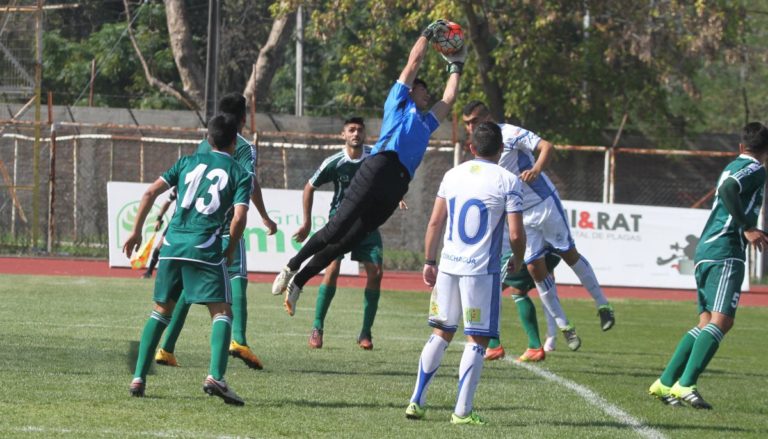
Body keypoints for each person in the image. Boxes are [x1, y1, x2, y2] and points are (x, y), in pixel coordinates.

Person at [271, 20, 466, 315]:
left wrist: (457, 64)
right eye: (423, 90)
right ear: (412, 90)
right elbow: (414, 61)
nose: (428, 95)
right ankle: (291, 266)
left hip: (397, 184)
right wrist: (426, 34)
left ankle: (299, 282)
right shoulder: (399, 103)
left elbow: (449, 98)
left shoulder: (426, 123)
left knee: (346, 241)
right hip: (378, 167)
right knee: (337, 228)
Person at [462, 101, 616, 353]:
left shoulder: (509, 133)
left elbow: (546, 146)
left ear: (488, 116)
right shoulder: (479, 149)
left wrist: (535, 169)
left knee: (568, 253)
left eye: (476, 120)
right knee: (534, 268)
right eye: (468, 122)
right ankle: (564, 327)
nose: (471, 126)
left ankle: (603, 305)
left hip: (543, 203)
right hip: (520, 214)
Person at [123, 113, 252, 405]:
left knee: (160, 312)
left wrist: (135, 232)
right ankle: (216, 378)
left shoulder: (186, 162)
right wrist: (231, 247)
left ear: (208, 138)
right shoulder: (239, 172)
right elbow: (240, 216)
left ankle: (138, 377)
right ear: (235, 141)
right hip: (204, 246)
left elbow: (150, 192)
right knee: (222, 312)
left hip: (171, 245)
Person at [405, 122, 526, 425]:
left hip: (448, 265)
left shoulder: (452, 175)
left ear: (472, 148)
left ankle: (416, 401)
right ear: (501, 150)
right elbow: (515, 232)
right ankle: (462, 411)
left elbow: (435, 223)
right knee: (477, 339)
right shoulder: (509, 181)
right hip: (481, 271)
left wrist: (429, 261)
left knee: (441, 333)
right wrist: (519, 259)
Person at [649, 122, 768, 409]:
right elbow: (729, 189)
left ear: (741, 146)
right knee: (722, 321)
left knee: (705, 323)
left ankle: (664, 383)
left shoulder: (733, 164)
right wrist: (748, 227)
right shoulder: (756, 169)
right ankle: (686, 384)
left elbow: (728, 185)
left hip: (707, 249)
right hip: (725, 248)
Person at [154, 93, 277, 370]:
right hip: (224, 223)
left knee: (186, 287)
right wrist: (265, 217)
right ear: (244, 119)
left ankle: (166, 348)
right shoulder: (243, 147)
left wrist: (167, 211)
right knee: (238, 279)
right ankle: (239, 341)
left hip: (191, 227)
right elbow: (249, 181)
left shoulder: (206, 142)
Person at [291, 117, 384, 350]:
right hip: (340, 222)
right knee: (331, 268)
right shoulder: (334, 161)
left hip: (367, 223)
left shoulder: (375, 157)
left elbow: (390, 179)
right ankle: (317, 327)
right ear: (343, 135)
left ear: (365, 134)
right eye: (351, 130)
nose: (356, 134)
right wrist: (306, 222)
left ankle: (365, 332)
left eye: (360, 130)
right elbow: (309, 186)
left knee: (376, 272)